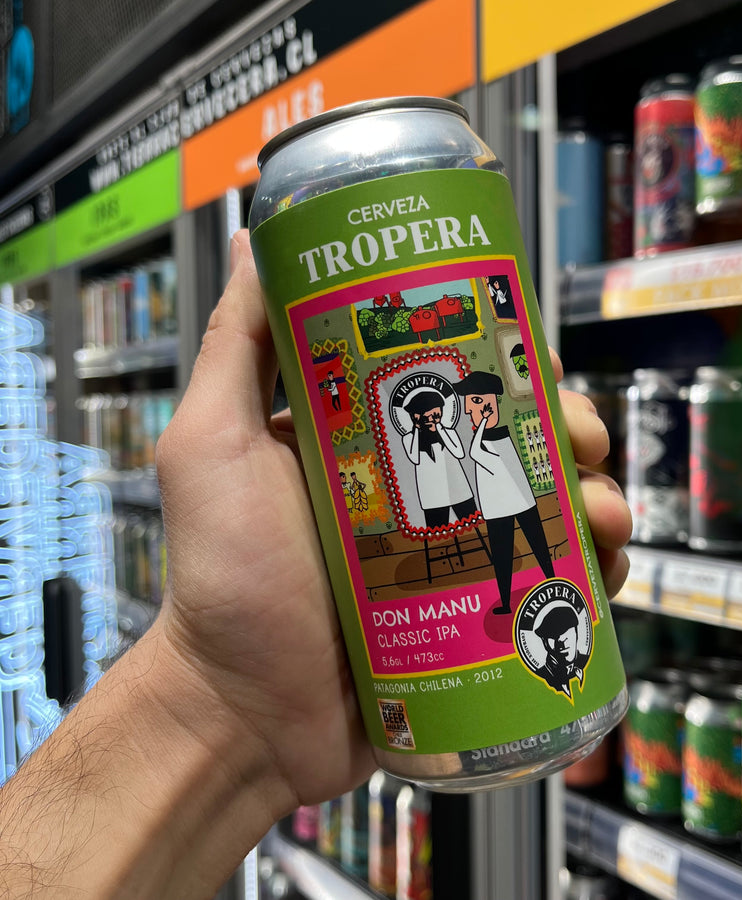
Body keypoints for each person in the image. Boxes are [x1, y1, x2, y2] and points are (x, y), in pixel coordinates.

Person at [0, 230, 632, 899]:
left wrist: (216, 708)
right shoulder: (424, 431)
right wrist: (219, 696)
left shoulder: (467, 422)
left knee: (535, 521)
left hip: (486, 501)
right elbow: (414, 448)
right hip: (426, 540)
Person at [454, 370, 554, 615]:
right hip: (499, 508)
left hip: (518, 503)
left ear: (491, 403)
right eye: (469, 403)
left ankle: (552, 581)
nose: (468, 410)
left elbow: (475, 453)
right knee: (502, 555)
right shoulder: (490, 438)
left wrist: (481, 424)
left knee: (538, 546)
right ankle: (507, 603)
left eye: (475, 401)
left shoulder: (495, 439)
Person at [399, 388, 477, 528]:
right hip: (432, 494)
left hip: (459, 489)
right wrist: (416, 428)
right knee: (437, 530)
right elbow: (414, 458)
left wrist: (439, 426)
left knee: (475, 525)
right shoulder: (409, 438)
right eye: (426, 415)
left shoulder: (448, 432)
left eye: (436, 414)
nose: (431, 419)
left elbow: (459, 453)